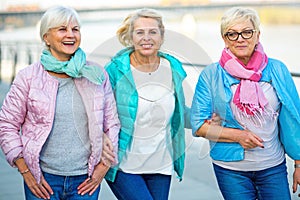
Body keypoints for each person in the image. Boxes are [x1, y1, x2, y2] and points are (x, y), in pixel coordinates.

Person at [0, 6, 120, 200]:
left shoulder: (96, 75)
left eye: (75, 29)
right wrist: (25, 171)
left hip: (85, 180)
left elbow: (112, 124)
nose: (70, 35)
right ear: (46, 37)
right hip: (42, 180)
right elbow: (7, 125)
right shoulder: (28, 77)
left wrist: (103, 168)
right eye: (62, 29)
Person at [191, 7, 300, 200]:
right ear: (225, 39)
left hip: (272, 166)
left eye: (247, 32)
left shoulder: (277, 69)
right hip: (231, 170)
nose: (240, 38)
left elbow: (294, 118)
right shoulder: (211, 74)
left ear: (257, 35)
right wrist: (237, 136)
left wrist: (299, 163)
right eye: (232, 34)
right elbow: (198, 125)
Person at [104, 8, 191, 200]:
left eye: (153, 32)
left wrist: (209, 118)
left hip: (161, 165)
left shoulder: (172, 68)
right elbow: (98, 112)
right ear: (131, 37)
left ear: (161, 36)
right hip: (123, 166)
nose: (147, 38)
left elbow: (180, 112)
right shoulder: (115, 70)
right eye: (140, 32)